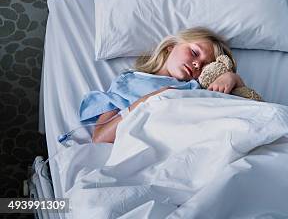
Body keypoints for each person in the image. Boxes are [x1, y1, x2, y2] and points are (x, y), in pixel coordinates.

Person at [79, 27, 245, 143]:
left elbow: (245, 110)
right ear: (170, 47)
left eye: (204, 66)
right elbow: (100, 138)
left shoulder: (198, 88)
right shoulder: (129, 82)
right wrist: (150, 101)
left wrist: (233, 79)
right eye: (194, 52)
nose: (197, 65)